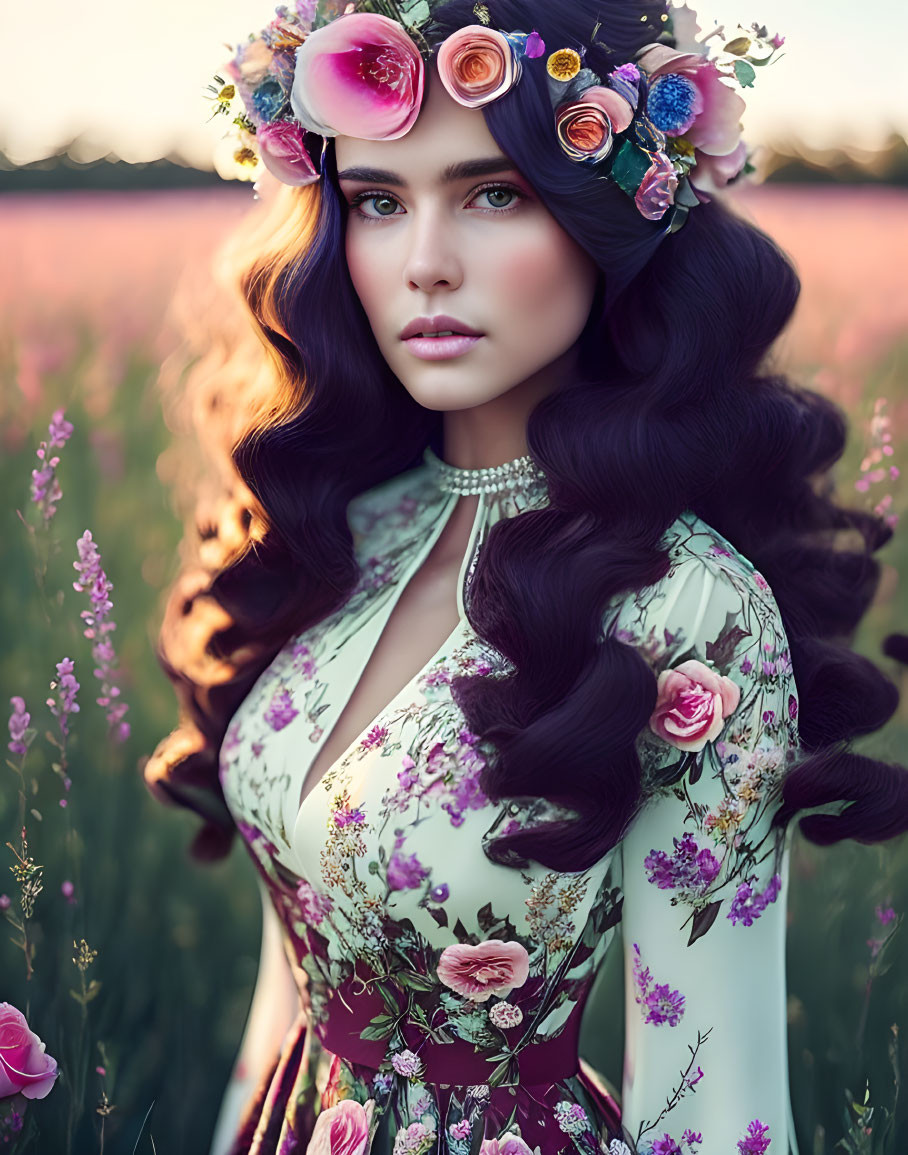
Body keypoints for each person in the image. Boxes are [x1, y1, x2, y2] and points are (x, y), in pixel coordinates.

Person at [145, 2, 908, 1153]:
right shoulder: (349, 529)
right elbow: (289, 994)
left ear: (615, 215)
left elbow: (710, 1101)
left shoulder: (686, 612)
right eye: (376, 203)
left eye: (494, 192)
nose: (426, 264)